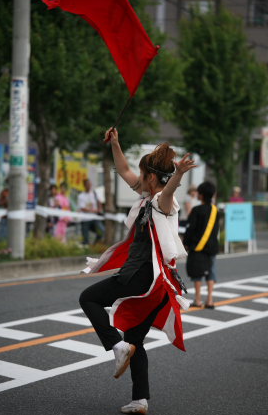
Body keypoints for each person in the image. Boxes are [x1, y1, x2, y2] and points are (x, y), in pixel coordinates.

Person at [79, 127, 195, 415]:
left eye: (143, 176)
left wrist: (178, 176)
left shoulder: (162, 203)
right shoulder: (146, 198)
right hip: (157, 288)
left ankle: (115, 346)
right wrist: (115, 144)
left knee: (88, 298)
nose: (137, 179)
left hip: (142, 277)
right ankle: (140, 399)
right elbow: (124, 170)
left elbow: (167, 193)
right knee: (135, 341)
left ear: (152, 178)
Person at [183, 181, 219, 309]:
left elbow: (190, 229)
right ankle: (210, 300)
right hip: (212, 247)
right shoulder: (216, 210)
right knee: (211, 272)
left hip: (197, 247)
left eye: (198, 192)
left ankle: (198, 300)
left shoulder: (196, 210)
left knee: (197, 274)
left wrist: (185, 243)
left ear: (202, 195)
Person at [77, 178, 105, 245]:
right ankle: (86, 249)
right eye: (87, 184)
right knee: (85, 239)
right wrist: (93, 210)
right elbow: (82, 208)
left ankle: (94, 245)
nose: (89, 186)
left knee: (102, 231)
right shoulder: (81, 196)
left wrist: (100, 208)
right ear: (84, 185)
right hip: (85, 219)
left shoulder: (94, 194)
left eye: (90, 184)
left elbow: (99, 202)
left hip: (94, 218)